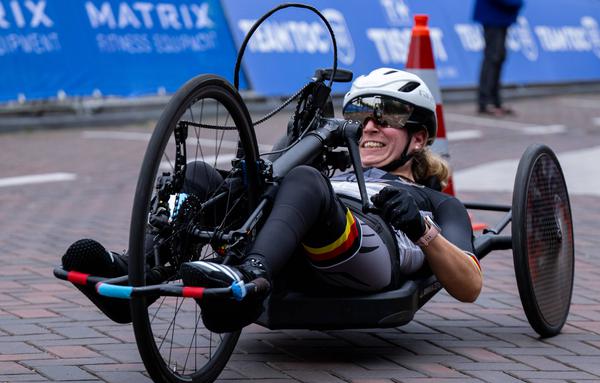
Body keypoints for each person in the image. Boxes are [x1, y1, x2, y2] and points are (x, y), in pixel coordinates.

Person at [62, 68, 483, 332]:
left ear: (419, 137)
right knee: (202, 175)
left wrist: (421, 229)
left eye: (386, 116)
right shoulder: (330, 173)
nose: (368, 127)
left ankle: (247, 280)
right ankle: (137, 271)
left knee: (303, 180)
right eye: (358, 116)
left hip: (370, 248)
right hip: (300, 232)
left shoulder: (434, 201)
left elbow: (470, 285)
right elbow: (271, 172)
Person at [474, 0, 524, 116]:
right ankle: (485, 102)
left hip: (501, 16)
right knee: (493, 57)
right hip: (493, 15)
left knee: (499, 57)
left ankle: (495, 101)